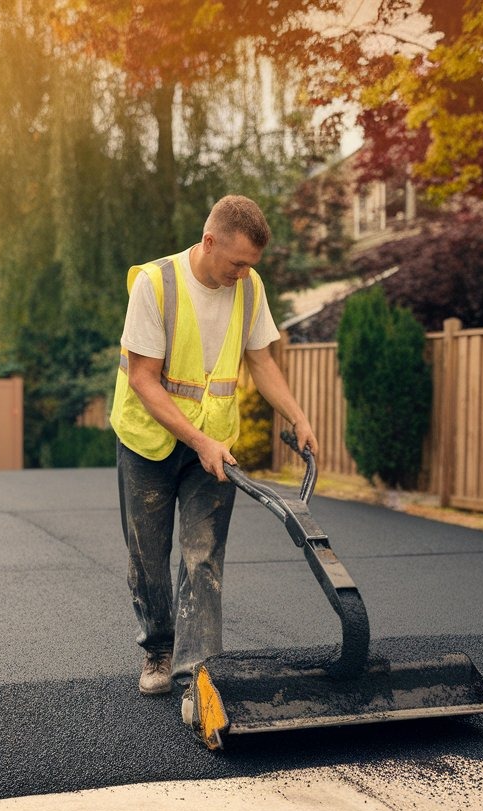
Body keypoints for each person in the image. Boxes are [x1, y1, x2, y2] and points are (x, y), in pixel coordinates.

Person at [110, 195, 319, 697]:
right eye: (237, 263)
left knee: (203, 556)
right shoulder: (154, 284)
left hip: (214, 446)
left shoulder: (249, 286)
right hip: (148, 441)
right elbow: (142, 378)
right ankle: (158, 647)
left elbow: (261, 361)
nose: (243, 274)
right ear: (208, 242)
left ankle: (197, 675)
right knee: (149, 556)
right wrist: (199, 439)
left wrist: (297, 415)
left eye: (251, 265)